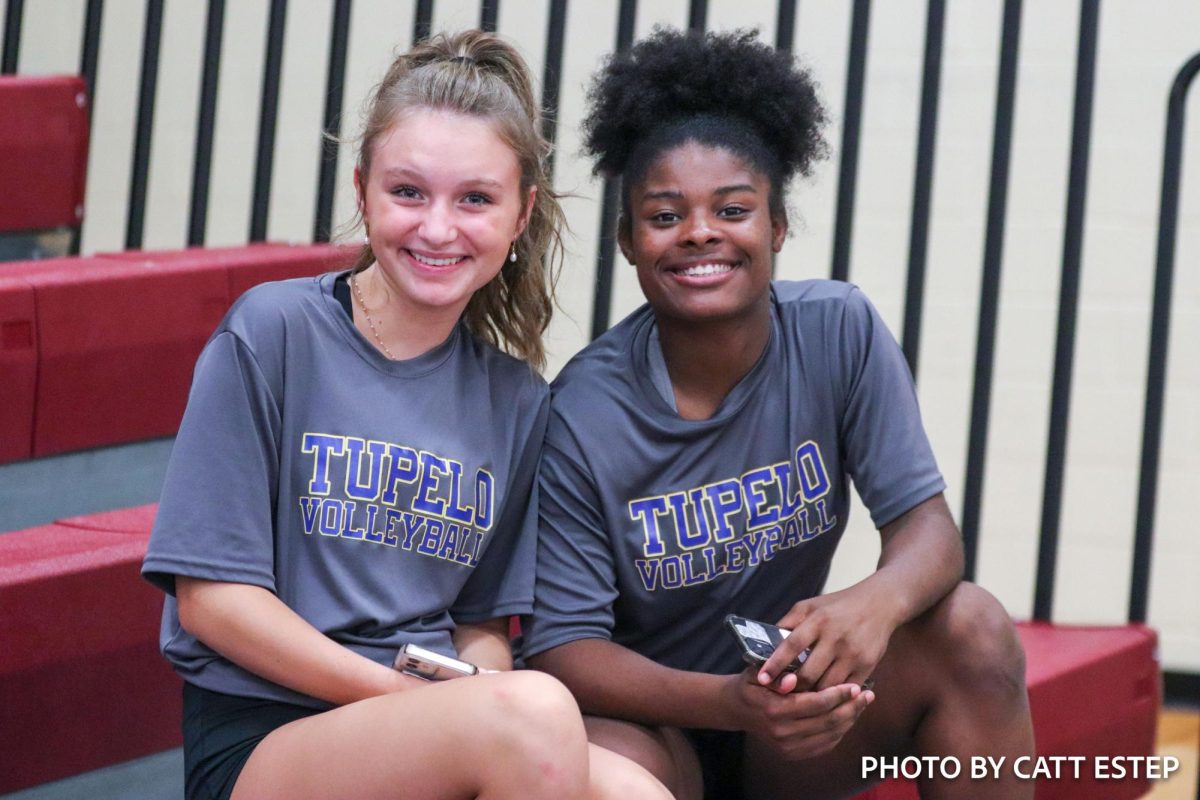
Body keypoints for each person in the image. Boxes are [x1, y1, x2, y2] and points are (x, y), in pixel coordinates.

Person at [142, 30, 668, 800]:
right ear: (362, 191)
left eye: (476, 199)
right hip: (268, 733)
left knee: (639, 795)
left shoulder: (515, 398)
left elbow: (482, 625)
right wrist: (425, 702)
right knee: (530, 713)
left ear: (521, 215)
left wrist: (469, 691)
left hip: (438, 711)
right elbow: (214, 603)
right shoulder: (273, 333)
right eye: (409, 191)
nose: (437, 228)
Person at [522, 28, 1036, 800]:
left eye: (733, 208)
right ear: (628, 241)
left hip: (799, 718)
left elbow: (929, 534)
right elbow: (565, 649)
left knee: (974, 628)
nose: (700, 231)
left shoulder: (837, 332)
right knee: (596, 762)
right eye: (665, 215)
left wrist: (874, 604)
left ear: (778, 227)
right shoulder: (582, 413)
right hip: (653, 724)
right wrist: (730, 706)